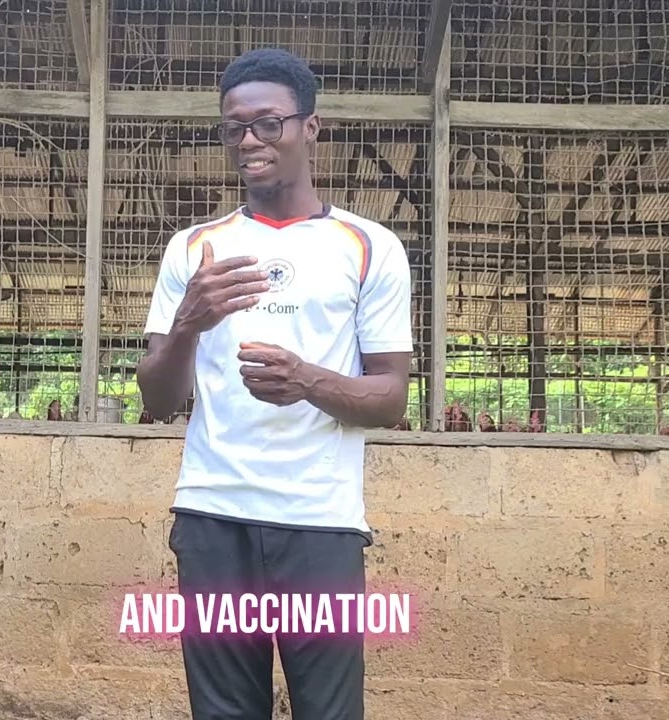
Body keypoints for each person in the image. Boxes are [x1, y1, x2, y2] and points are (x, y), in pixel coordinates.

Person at [135, 48, 415, 720]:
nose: (249, 141)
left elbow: (391, 399)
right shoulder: (194, 249)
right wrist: (189, 323)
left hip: (320, 523)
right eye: (234, 128)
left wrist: (307, 380)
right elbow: (158, 400)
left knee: (329, 711)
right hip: (213, 516)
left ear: (309, 127)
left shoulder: (368, 246)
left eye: (267, 123)